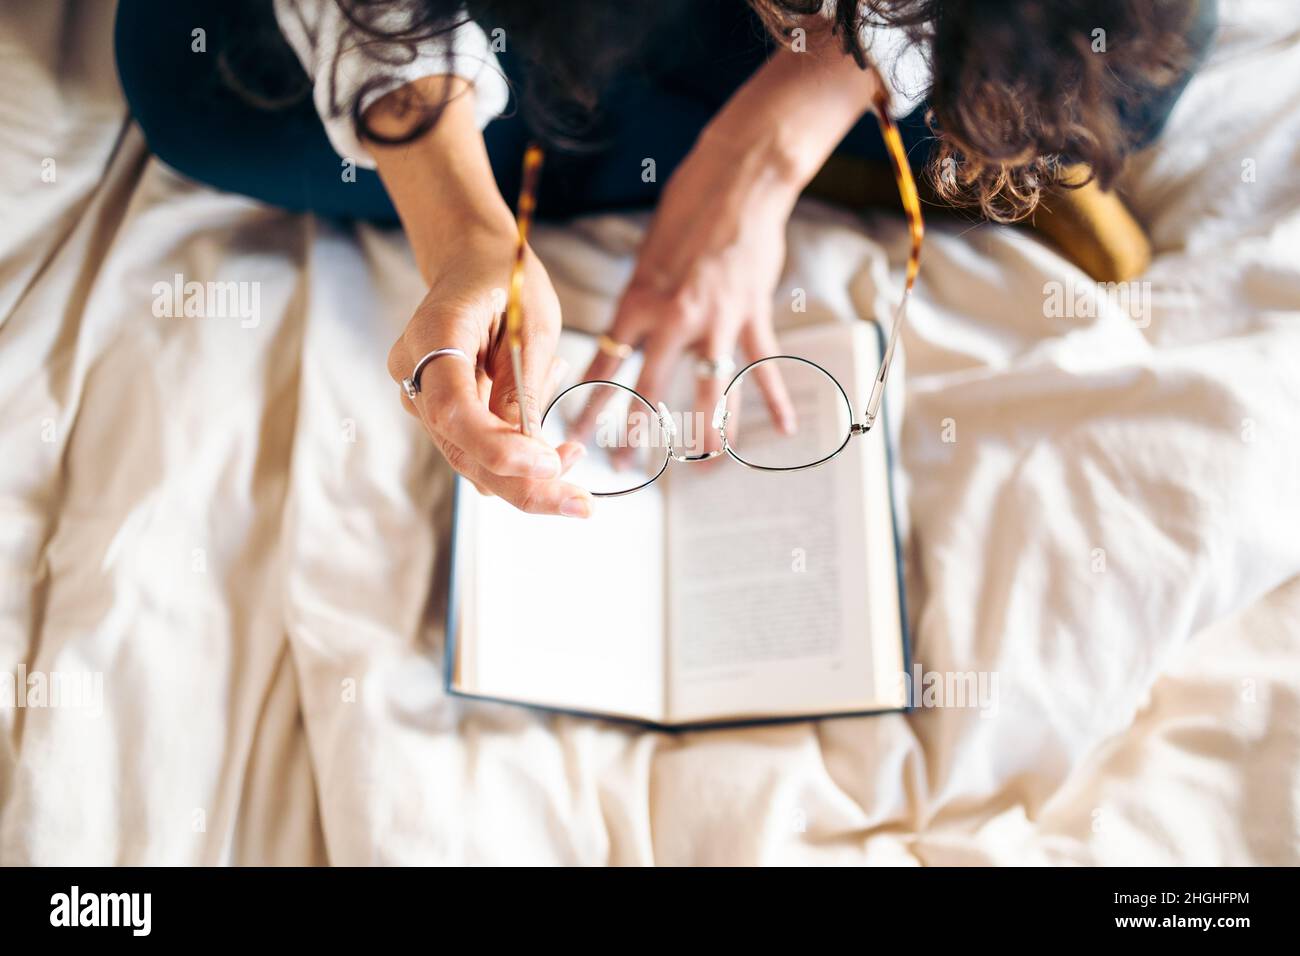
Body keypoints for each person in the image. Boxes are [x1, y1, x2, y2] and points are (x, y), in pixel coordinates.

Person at [115, 0, 1216, 518]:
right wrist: (463, 228)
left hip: (812, 53)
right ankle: (846, 141)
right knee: (187, 65)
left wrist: (771, 146)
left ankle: (810, 118)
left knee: (1142, 63)